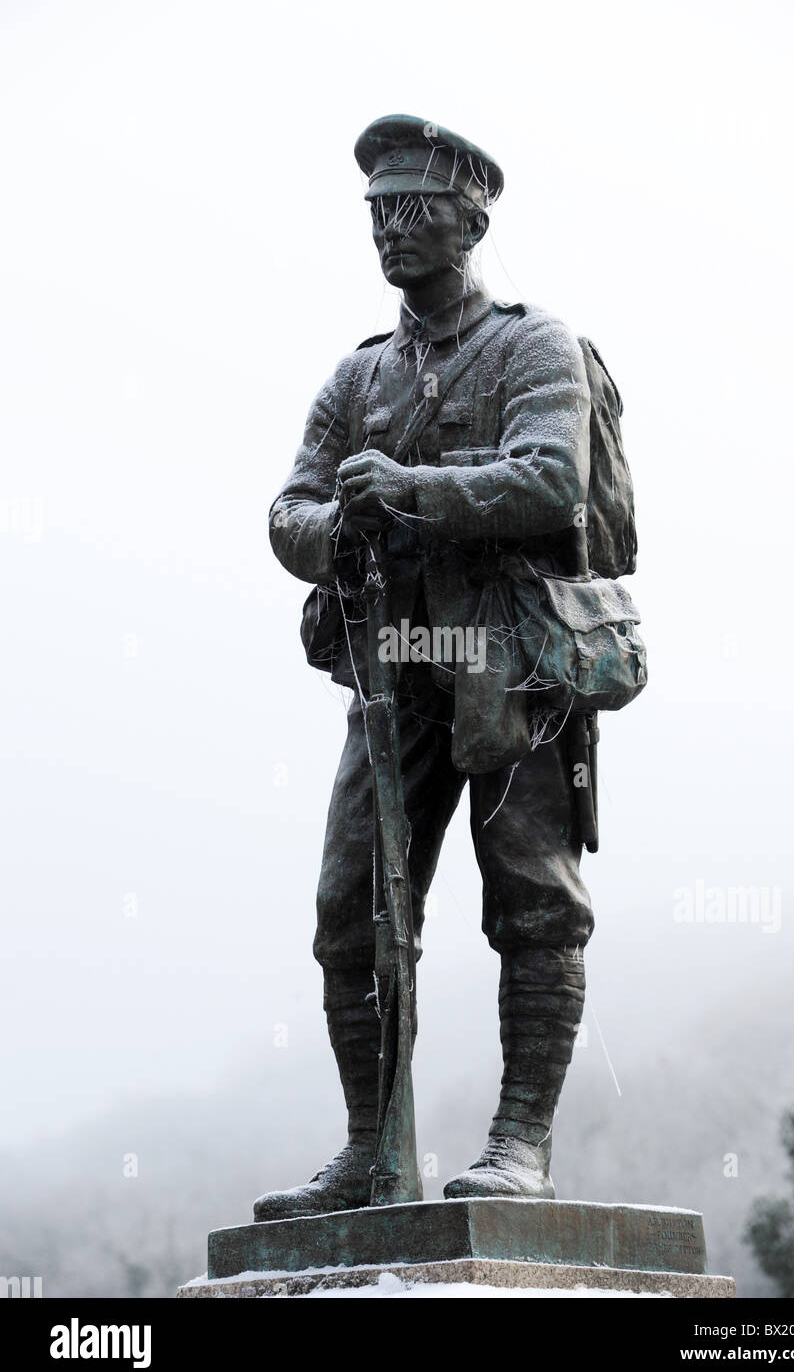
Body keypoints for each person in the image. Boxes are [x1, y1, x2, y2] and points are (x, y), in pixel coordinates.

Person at [255, 115, 603, 1220]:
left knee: (533, 905)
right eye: (377, 213)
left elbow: (554, 480)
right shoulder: (357, 378)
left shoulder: (532, 345)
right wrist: (335, 532)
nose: (392, 231)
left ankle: (520, 1144)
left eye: (416, 208)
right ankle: (370, 1148)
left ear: (474, 216)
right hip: (396, 666)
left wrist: (410, 491)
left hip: (510, 663)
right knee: (347, 914)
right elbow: (288, 507)